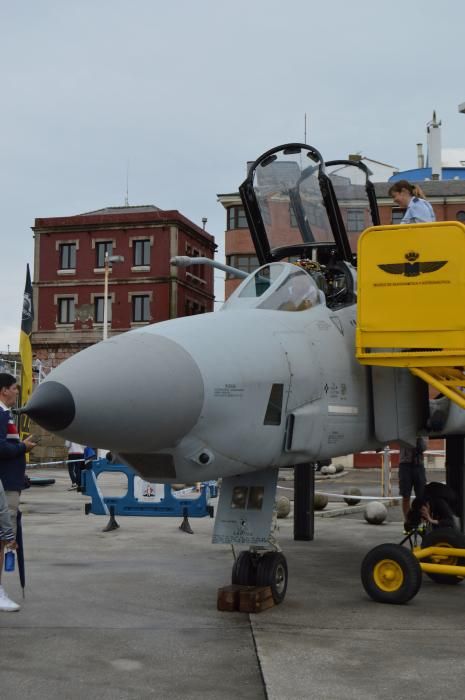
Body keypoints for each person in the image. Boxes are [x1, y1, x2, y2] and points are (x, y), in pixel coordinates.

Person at [0, 373, 36, 612]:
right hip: (4, 486)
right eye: (14, 388)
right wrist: (23, 447)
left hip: (10, 482)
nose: (16, 392)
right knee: (3, 540)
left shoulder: (5, 414)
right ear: (3, 390)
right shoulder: (0, 415)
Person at [398, 436, 427, 521]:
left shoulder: (422, 430)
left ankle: (422, 522)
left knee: (421, 496)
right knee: (406, 495)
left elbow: (424, 447)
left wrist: (418, 438)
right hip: (405, 465)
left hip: (419, 465)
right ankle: (408, 522)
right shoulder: (403, 429)